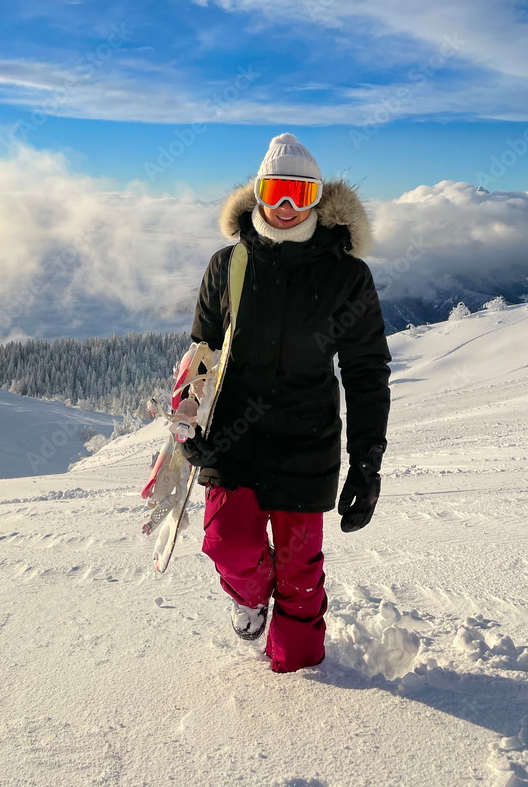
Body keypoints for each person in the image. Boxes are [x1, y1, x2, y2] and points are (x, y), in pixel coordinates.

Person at [183, 132, 391, 674]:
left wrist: (367, 463)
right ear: (257, 193)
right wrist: (190, 423)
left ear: (317, 201)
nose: (283, 206)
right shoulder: (227, 265)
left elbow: (367, 371)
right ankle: (251, 597)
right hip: (232, 437)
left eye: (299, 194)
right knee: (227, 543)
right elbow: (201, 355)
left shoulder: (347, 276)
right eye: (274, 191)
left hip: (306, 440)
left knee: (300, 572)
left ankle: (298, 672)